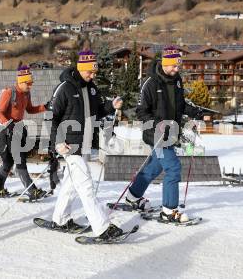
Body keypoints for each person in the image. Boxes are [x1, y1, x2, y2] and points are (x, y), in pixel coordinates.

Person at [43, 49, 124, 241]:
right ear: (80, 68)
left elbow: (98, 111)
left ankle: (60, 219)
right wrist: (58, 142)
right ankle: (102, 228)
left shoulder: (92, 89)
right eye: (90, 72)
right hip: (70, 146)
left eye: (95, 72)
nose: (93, 75)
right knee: (86, 186)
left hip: (85, 144)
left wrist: (111, 106)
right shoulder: (64, 88)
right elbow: (52, 117)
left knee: (72, 185)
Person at [125, 46, 202, 223]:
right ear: (165, 64)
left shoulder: (177, 81)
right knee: (173, 168)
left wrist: (193, 111)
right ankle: (169, 210)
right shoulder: (150, 83)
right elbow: (141, 112)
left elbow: (180, 105)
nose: (177, 69)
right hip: (156, 135)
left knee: (154, 167)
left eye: (178, 66)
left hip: (171, 132)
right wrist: (159, 126)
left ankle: (133, 196)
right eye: (174, 66)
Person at [0, 65, 48, 200]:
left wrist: (46, 106)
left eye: (31, 83)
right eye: (28, 83)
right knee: (18, 159)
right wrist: (9, 125)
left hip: (16, 129)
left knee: (9, 162)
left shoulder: (26, 93)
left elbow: (30, 110)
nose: (30, 86)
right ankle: (31, 190)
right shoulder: (9, 92)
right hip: (5, 130)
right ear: (21, 82)